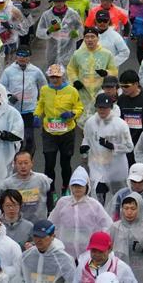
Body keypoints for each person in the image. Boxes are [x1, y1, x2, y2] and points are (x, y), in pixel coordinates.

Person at [34, 64, 83, 204]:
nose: (54, 80)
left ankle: (65, 187)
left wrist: (72, 114)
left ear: (62, 76)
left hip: (67, 132)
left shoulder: (71, 91)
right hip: (49, 132)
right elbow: (40, 104)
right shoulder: (44, 90)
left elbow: (79, 108)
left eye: (57, 77)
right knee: (49, 163)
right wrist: (37, 115)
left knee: (65, 163)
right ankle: (51, 191)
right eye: (52, 77)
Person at [81, 93, 133, 204]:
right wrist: (84, 146)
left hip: (116, 168)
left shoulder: (120, 124)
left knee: (118, 198)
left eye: (105, 107)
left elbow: (129, 147)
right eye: (100, 107)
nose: (102, 110)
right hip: (97, 166)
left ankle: (117, 219)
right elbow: (87, 137)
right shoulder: (90, 122)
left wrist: (112, 146)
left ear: (111, 107)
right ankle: (100, 219)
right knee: (98, 195)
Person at [73, 230, 138, 283]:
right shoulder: (83, 267)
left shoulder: (121, 268)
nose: (97, 255)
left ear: (110, 249)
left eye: (101, 251)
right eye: (94, 251)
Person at [0, 80, 24, 180]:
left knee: (3, 185)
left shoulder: (11, 113)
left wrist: (1, 134)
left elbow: (18, 135)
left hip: (4, 157)